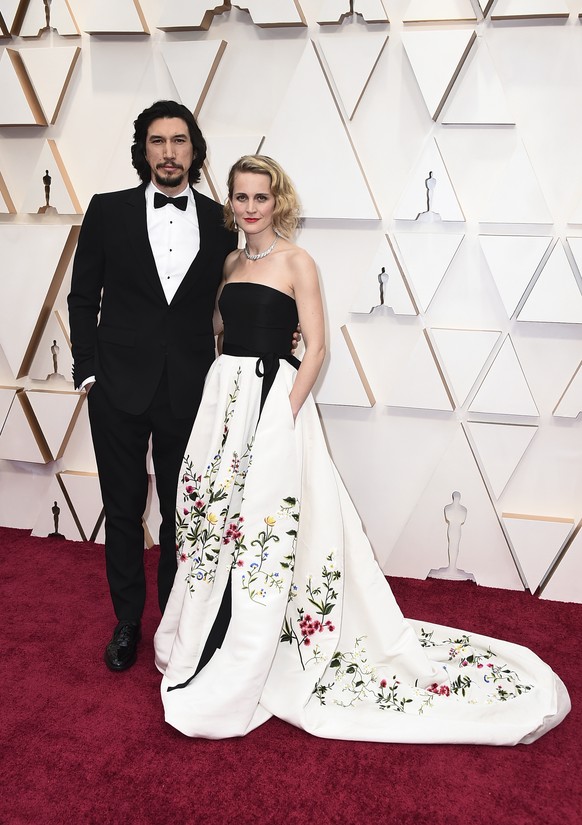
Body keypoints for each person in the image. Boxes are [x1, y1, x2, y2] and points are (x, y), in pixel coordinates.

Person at [154, 155, 570, 744]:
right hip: (226, 404)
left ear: (279, 202)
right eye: (241, 198)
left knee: (267, 526)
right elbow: (225, 336)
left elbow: (317, 348)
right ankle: (213, 634)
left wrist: (283, 413)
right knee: (216, 523)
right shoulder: (227, 262)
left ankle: (264, 641)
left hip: (275, 407)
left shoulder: (299, 262)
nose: (250, 208)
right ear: (232, 202)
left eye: (261, 198)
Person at [68, 100, 238, 672]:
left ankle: (173, 619)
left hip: (188, 389)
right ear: (144, 149)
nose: (169, 152)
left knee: (179, 513)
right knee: (121, 510)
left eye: (180, 141)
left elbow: (233, 298)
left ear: (195, 149)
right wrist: (88, 370)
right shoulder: (107, 210)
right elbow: (82, 294)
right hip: (115, 385)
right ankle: (126, 622)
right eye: (158, 141)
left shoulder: (221, 221)